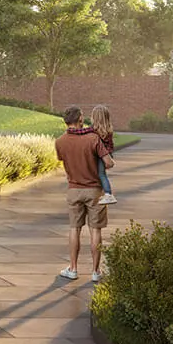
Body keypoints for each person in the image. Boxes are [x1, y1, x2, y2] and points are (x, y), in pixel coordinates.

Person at [55, 105, 107, 282]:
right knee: (95, 231)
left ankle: (73, 269)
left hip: (74, 190)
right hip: (94, 191)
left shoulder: (60, 141)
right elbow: (108, 162)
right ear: (80, 119)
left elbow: (63, 159)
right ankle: (95, 271)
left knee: (74, 229)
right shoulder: (93, 139)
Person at [89, 103, 117, 205]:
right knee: (101, 174)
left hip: (100, 156)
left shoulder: (93, 130)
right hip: (107, 155)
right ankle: (104, 193)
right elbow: (111, 145)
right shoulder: (108, 129)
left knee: (101, 174)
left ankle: (108, 194)